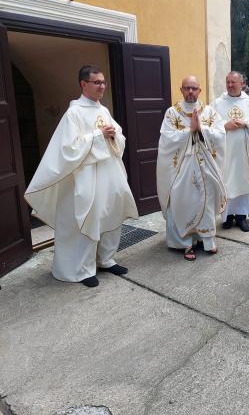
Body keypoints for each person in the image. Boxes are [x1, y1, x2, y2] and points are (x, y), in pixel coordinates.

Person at [25, 65, 138, 288]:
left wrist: (115, 136)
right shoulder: (73, 113)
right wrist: (98, 135)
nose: (102, 86)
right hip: (85, 178)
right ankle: (83, 268)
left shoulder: (103, 110)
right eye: (97, 82)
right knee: (88, 218)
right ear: (83, 84)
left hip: (109, 173)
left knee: (111, 213)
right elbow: (68, 149)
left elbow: (118, 138)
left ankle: (106, 259)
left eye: (103, 82)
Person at [156, 75, 227, 260]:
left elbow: (221, 135)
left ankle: (207, 240)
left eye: (194, 88)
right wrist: (190, 131)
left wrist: (201, 129)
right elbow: (166, 139)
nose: (190, 92)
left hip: (206, 166)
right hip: (181, 167)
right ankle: (185, 243)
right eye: (186, 88)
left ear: (199, 90)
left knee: (206, 201)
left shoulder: (210, 112)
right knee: (183, 201)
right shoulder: (172, 113)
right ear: (181, 90)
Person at [211, 71, 249, 232]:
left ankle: (242, 217)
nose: (230, 85)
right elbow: (208, 123)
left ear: (241, 83)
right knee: (227, 181)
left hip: (244, 153)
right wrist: (224, 125)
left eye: (233, 82)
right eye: (227, 82)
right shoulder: (217, 103)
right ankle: (228, 216)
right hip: (225, 153)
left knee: (243, 180)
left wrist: (246, 122)